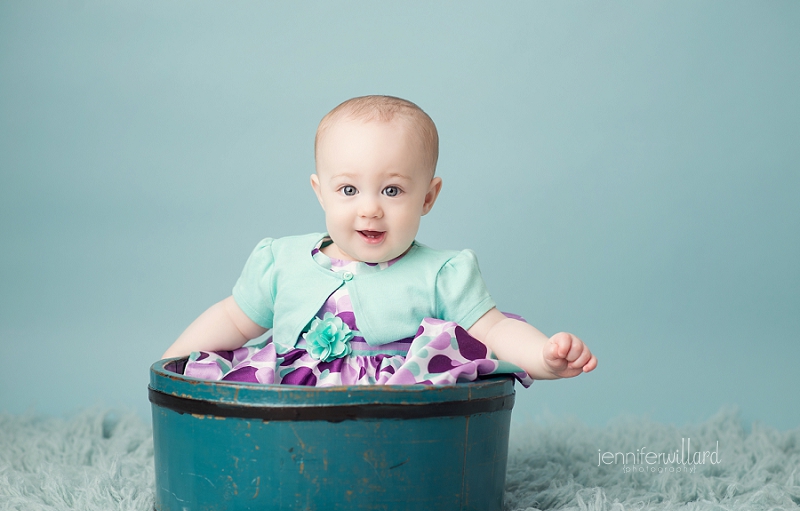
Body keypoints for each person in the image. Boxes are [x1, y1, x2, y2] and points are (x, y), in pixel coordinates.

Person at [162, 95, 597, 387]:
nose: (369, 209)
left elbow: (497, 330)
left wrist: (544, 356)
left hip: (394, 407)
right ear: (320, 191)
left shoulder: (442, 273)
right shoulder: (282, 260)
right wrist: (173, 361)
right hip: (294, 404)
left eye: (392, 191)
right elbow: (233, 320)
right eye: (349, 191)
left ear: (427, 197)